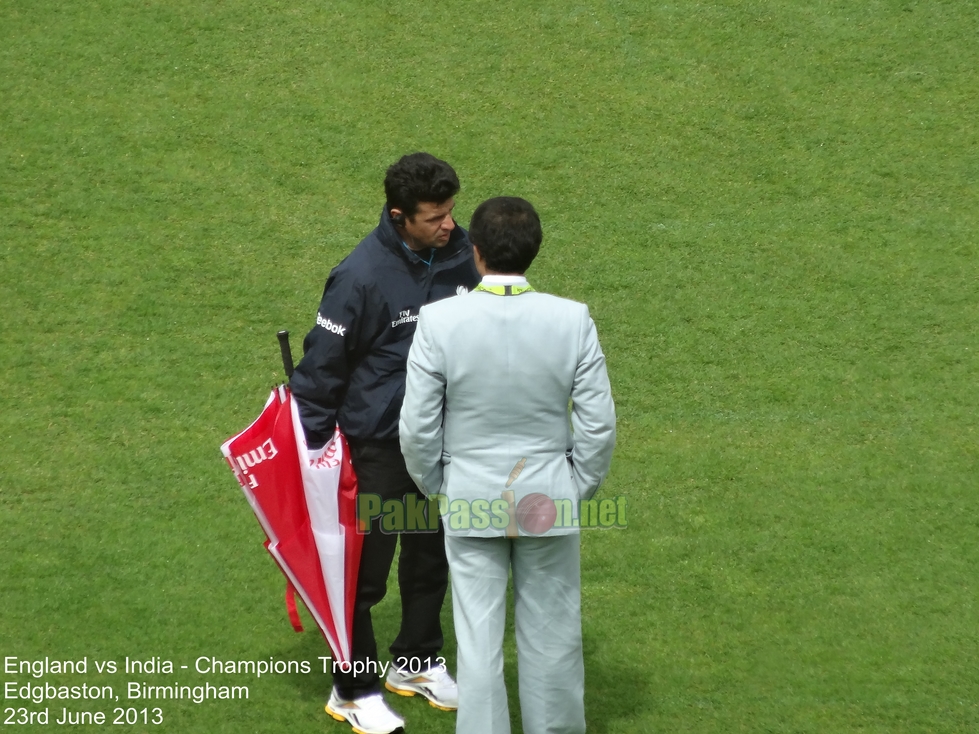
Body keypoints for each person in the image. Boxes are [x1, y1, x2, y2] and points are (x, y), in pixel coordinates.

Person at [399, 197, 616, 734]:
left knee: (477, 640)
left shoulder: (439, 320)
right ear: (534, 251)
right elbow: (598, 426)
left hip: (469, 493)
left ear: (475, 253)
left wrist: (438, 487)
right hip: (548, 497)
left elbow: (417, 426)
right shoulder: (572, 319)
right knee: (554, 635)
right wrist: (574, 488)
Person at [289, 152, 479, 734]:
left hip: (440, 445)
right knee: (364, 576)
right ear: (399, 216)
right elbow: (319, 374)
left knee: (429, 560)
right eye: (434, 217)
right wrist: (316, 456)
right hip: (377, 450)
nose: (448, 225)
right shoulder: (360, 276)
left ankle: (416, 661)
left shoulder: (463, 257)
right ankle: (354, 688)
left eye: (450, 212)